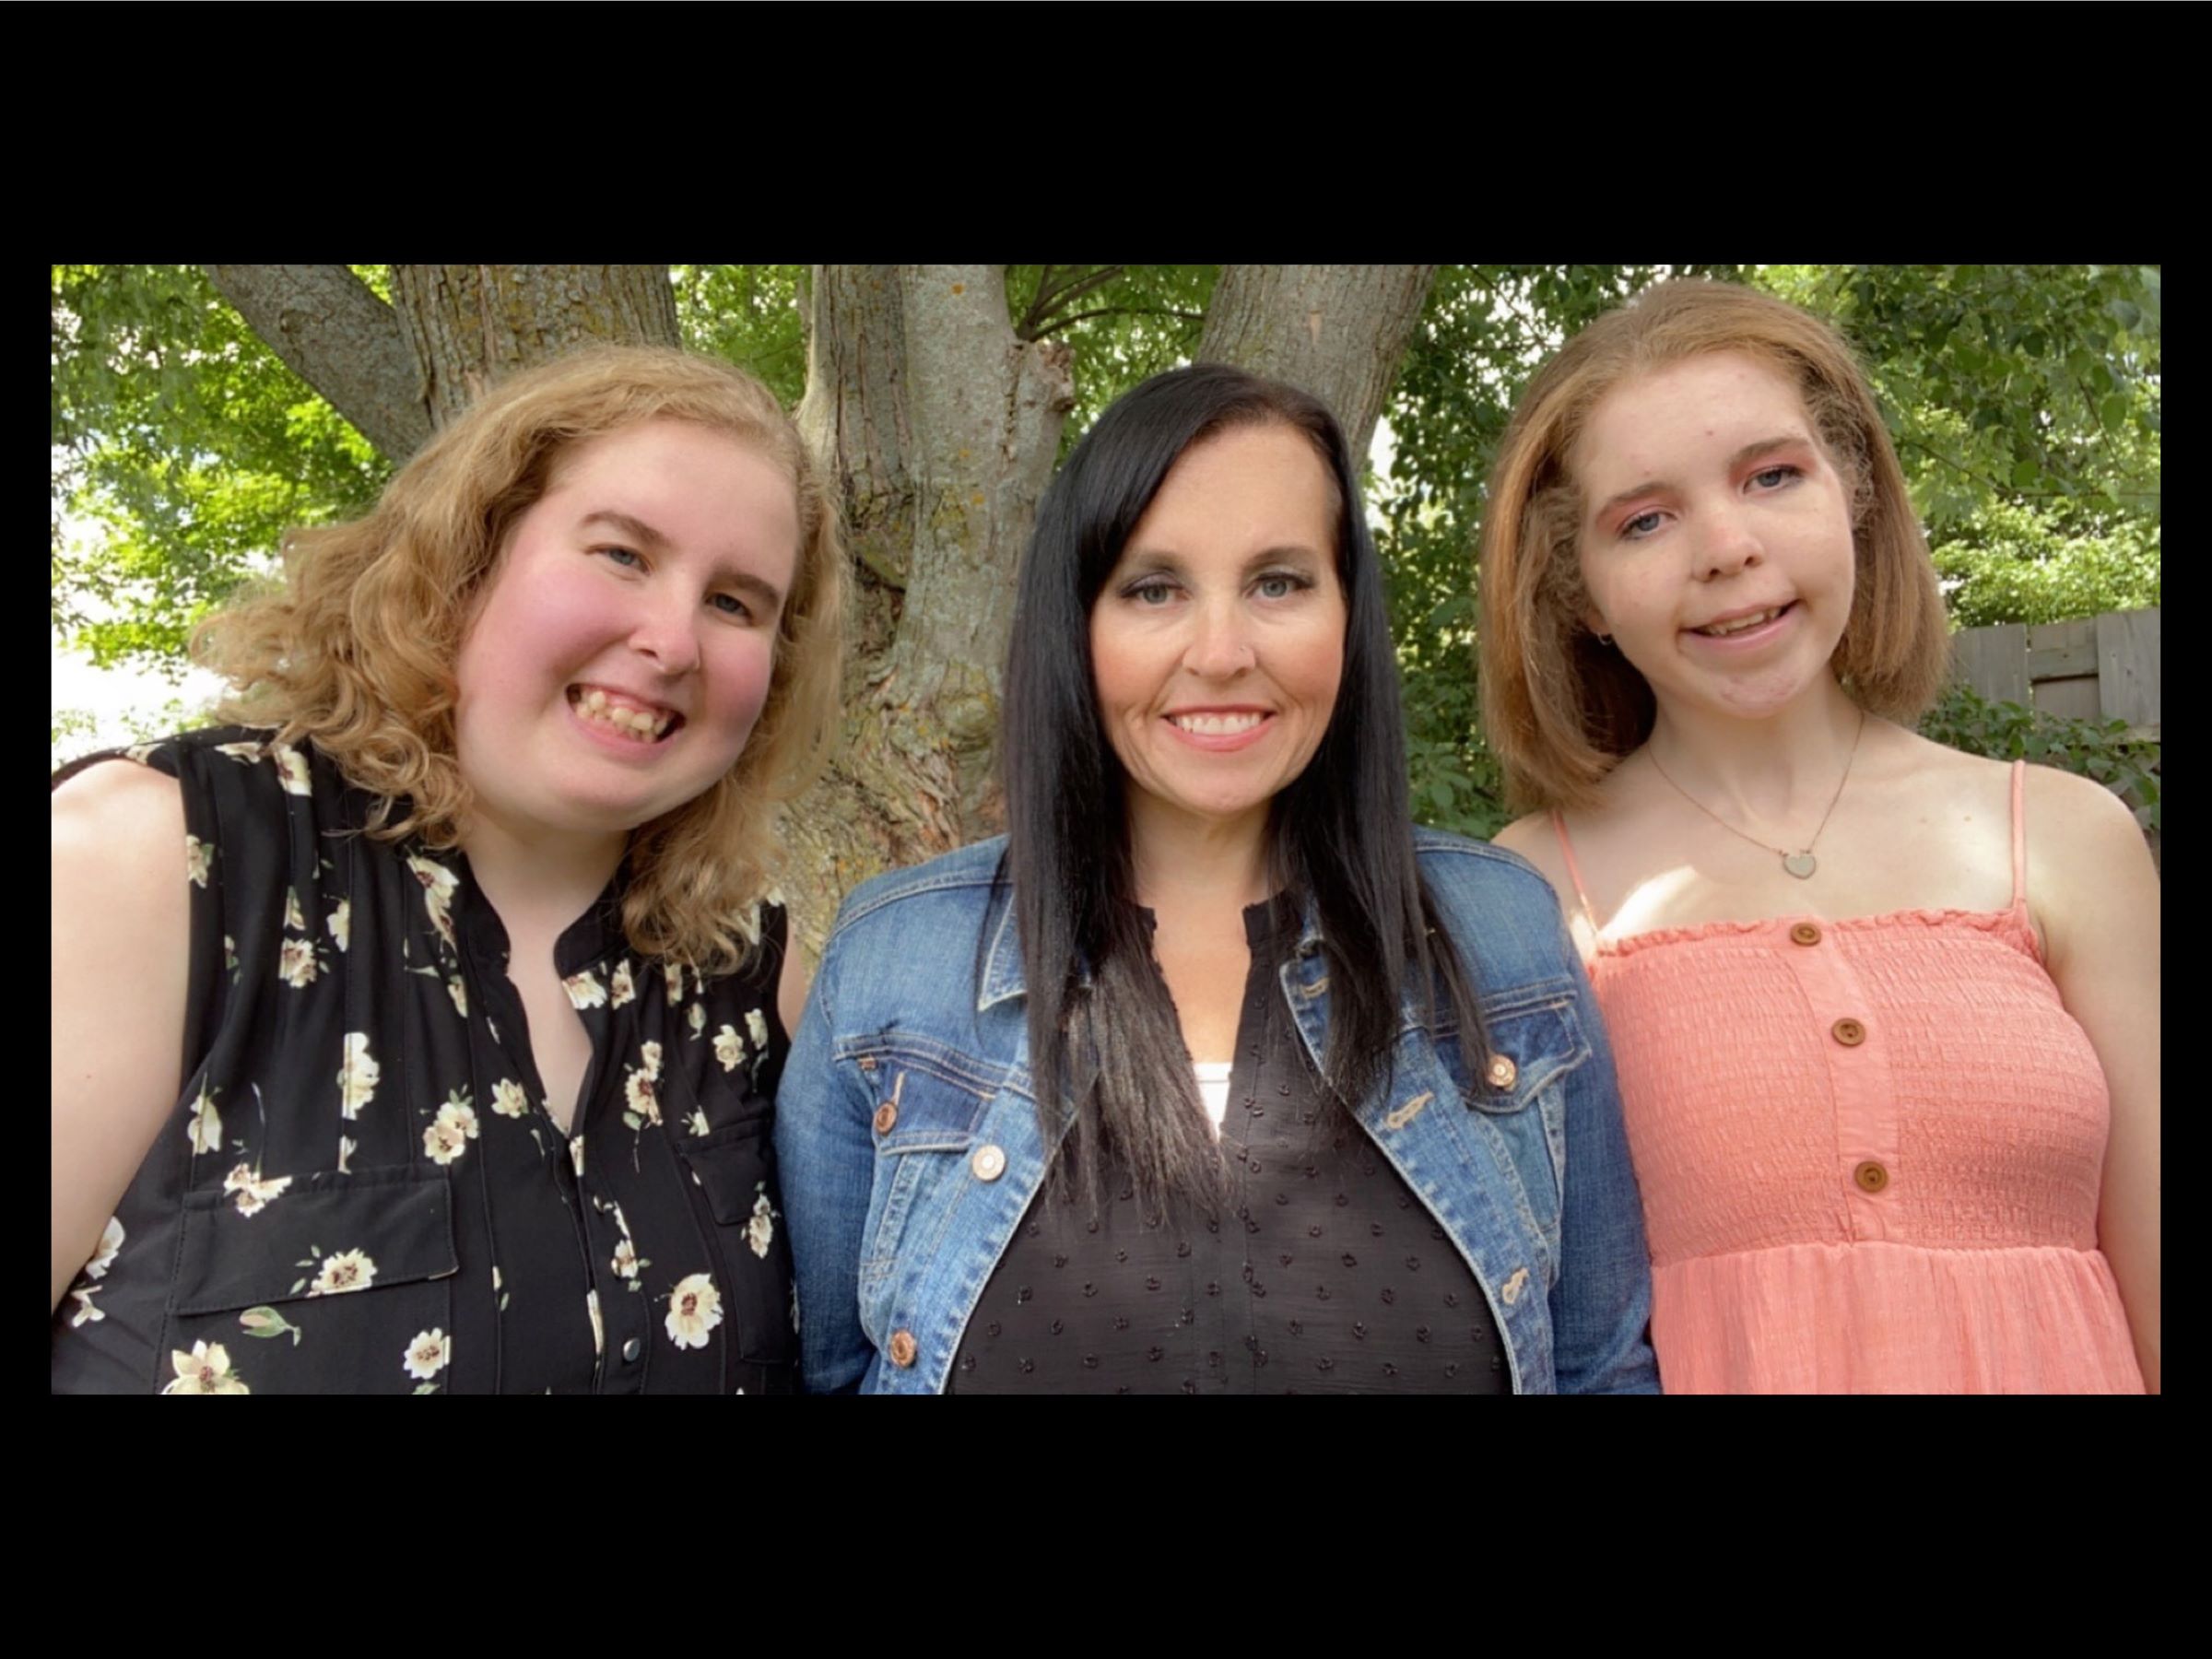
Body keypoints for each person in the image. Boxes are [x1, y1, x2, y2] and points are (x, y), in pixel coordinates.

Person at [775, 363, 1654, 1394]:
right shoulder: (894, 967)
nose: (1223, 651)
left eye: (1278, 582)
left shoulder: (1502, 939)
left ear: (1348, 615)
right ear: (1078, 627)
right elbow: (825, 1372)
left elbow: (1600, 1369)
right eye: (1155, 589)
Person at [51, 346, 846, 1394]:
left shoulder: (760, 984)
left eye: (737, 604)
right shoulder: (154, 865)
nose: (673, 640)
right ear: (466, 557)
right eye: (620, 554)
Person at [1480, 279, 2159, 1394]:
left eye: (1772, 475)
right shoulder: (1527, 892)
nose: (1726, 546)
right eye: (1644, 519)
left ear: (1854, 497)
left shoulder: (2066, 838)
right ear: (1578, 592)